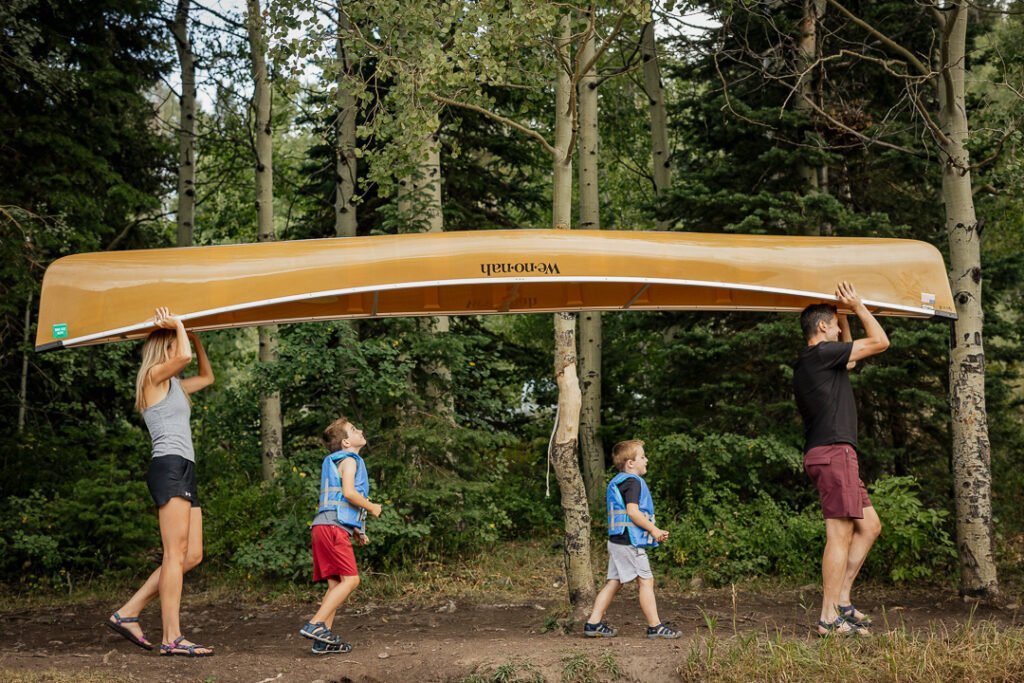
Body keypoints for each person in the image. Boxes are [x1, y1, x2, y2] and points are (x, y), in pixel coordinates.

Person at [107, 307, 215, 657]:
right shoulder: (153, 376)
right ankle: (172, 637)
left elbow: (208, 377)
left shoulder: (177, 387)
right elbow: (181, 356)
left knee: (192, 554)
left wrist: (196, 340)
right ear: (165, 347)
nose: (178, 348)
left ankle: (128, 612)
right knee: (173, 554)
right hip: (167, 466)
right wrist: (180, 324)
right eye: (175, 343)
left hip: (185, 468)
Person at [794, 282, 889, 637]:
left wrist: (844, 315)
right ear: (822, 328)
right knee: (840, 534)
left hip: (831, 453)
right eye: (834, 324)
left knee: (870, 526)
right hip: (834, 453)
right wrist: (859, 306)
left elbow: (847, 357)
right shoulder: (820, 356)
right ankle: (828, 616)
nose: (837, 329)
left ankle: (843, 602)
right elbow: (880, 342)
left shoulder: (814, 361)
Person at [299, 416, 382, 655]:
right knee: (352, 580)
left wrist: (356, 529)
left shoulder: (339, 461)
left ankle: (322, 640)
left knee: (335, 584)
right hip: (332, 528)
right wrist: (371, 506)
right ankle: (315, 625)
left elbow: (338, 504)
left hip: (324, 527)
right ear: (346, 442)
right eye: (354, 429)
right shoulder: (350, 461)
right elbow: (348, 493)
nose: (360, 430)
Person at [583, 439, 679, 640]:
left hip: (617, 540)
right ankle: (655, 627)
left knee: (614, 582)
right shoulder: (633, 482)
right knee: (646, 580)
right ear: (630, 463)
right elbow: (633, 512)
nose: (646, 459)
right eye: (642, 457)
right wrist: (654, 529)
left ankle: (593, 623)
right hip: (629, 542)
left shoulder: (619, 481)